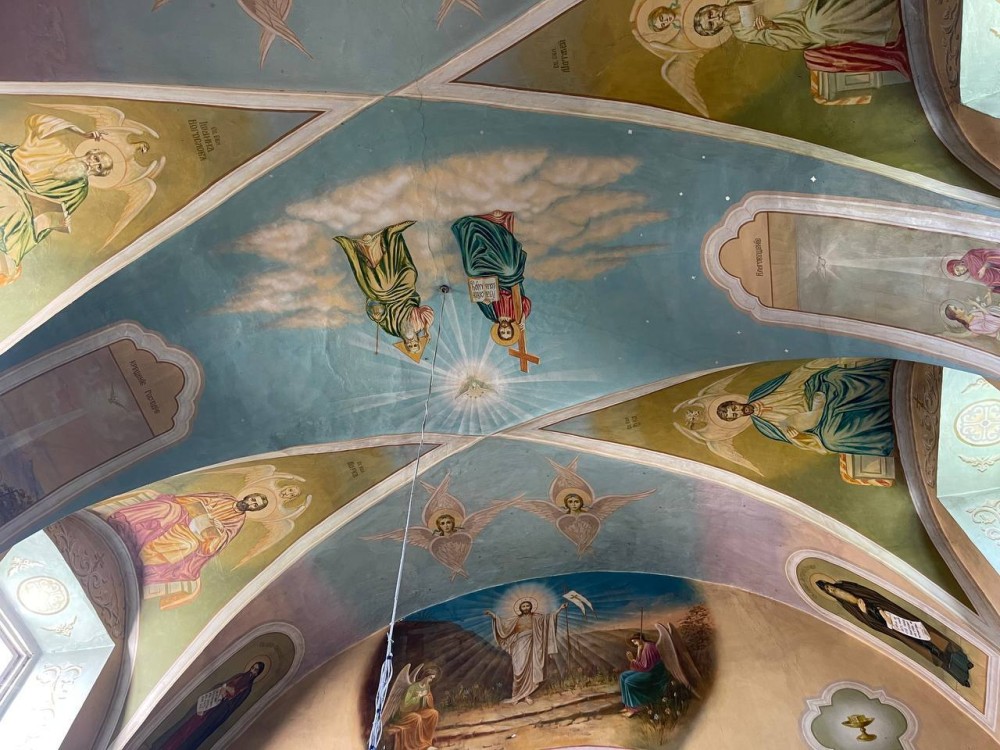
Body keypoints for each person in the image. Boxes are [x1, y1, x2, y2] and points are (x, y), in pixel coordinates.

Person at [106, 491, 269, 609]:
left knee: (187, 544)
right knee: (169, 508)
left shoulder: (238, 520)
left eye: (255, 505)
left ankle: (140, 561)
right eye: (253, 499)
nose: (251, 504)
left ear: (254, 510)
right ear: (249, 496)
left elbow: (222, 539)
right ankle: (123, 522)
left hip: (194, 532)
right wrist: (201, 509)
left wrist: (218, 530)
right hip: (185, 514)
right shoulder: (225, 497)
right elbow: (196, 499)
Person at [0, 113, 115, 276]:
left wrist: (60, 220)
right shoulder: (57, 148)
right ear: (90, 152)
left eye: (99, 167)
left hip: (24, 204)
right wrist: (81, 133)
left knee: (18, 212)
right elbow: (37, 121)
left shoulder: (79, 188)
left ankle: (6, 254)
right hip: (6, 171)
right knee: (12, 204)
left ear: (98, 174)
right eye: (96, 158)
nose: (93, 164)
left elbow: (57, 209)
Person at [715, 357, 895, 457]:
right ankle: (889, 429)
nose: (739, 411)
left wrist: (816, 368)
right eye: (735, 415)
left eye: (734, 408)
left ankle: (887, 381)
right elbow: (799, 440)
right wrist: (798, 436)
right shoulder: (765, 427)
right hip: (819, 421)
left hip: (813, 392)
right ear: (737, 419)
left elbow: (793, 379)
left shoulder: (760, 392)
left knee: (834, 378)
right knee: (831, 439)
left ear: (735, 402)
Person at [816, 580, 973, 687]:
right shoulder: (849, 607)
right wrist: (864, 613)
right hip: (896, 629)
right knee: (927, 649)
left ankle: (963, 661)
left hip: (900, 618)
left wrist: (881, 610)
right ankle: (959, 674)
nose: (834, 591)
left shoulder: (856, 591)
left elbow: (877, 598)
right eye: (830, 592)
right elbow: (871, 624)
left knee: (933, 638)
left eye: (833, 588)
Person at [334, 221, 435, 360]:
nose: (411, 343)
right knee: (407, 275)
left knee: (378, 286)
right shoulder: (419, 325)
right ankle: (392, 237)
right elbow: (426, 311)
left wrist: (377, 316)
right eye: (415, 344)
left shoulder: (392, 330)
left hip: (387, 298)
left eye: (409, 346)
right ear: (418, 341)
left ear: (405, 344)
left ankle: (368, 248)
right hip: (405, 291)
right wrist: (427, 329)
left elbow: (381, 315)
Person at [691, 0, 901, 52]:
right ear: (717, 29)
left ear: (712, 6)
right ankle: (886, 13)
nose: (715, 18)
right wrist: (770, 25)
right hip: (802, 19)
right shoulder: (743, 32)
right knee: (819, 22)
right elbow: (784, 40)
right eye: (712, 24)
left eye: (710, 14)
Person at [453, 211, 532, 348]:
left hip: (489, 280)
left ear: (498, 330)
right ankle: (494, 230)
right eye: (508, 332)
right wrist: (523, 319)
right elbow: (525, 301)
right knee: (508, 268)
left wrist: (485, 300)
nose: (504, 329)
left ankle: (473, 230)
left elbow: (481, 301)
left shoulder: (492, 315)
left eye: (502, 332)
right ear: (512, 329)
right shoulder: (518, 315)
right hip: (508, 282)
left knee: (471, 269)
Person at [152, 662, 265, 750]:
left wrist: (226, 695)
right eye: (252, 668)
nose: (252, 671)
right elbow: (223, 685)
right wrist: (222, 688)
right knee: (185, 727)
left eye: (255, 670)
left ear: (257, 673)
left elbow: (233, 704)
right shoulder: (239, 676)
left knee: (192, 734)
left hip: (215, 713)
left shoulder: (247, 689)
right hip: (208, 705)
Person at [484, 599, 567, 704]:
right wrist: (493, 615)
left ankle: (527, 695)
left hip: (532, 645)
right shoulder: (516, 619)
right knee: (518, 670)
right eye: (523, 606)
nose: (525, 608)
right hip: (518, 645)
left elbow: (549, 618)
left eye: (527, 605)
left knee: (530, 669)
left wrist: (560, 609)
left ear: (531, 607)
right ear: (520, 608)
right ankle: (516, 696)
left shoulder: (536, 617)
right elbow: (504, 624)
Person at [385, 664, 441, 750]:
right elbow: (404, 706)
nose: (430, 680)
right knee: (417, 718)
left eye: (432, 679)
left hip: (419, 711)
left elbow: (429, 703)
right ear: (425, 677)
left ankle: (427, 741)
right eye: (430, 678)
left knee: (434, 713)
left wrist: (426, 697)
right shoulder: (412, 687)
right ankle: (418, 745)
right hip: (406, 714)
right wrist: (418, 697)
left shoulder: (427, 687)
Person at [619, 631, 670, 717]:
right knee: (622, 676)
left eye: (635, 641)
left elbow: (645, 667)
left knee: (628, 681)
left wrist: (632, 660)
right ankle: (628, 706)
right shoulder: (643, 646)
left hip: (653, 673)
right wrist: (639, 651)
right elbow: (640, 665)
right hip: (646, 670)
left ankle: (635, 708)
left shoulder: (649, 647)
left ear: (639, 639)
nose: (634, 644)